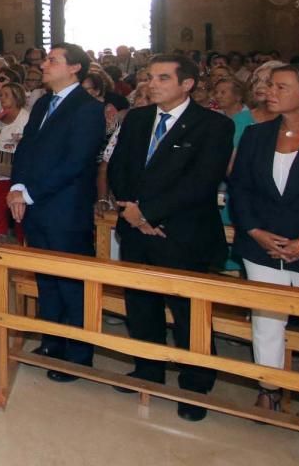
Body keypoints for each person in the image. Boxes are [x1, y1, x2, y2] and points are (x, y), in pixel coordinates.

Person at [107, 55, 233, 422]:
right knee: (141, 303)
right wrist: (132, 210)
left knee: (188, 312)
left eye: (163, 77)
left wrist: (151, 213)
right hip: (137, 228)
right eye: (149, 77)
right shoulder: (138, 118)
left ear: (187, 84)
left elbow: (202, 181)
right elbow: (119, 166)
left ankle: (195, 383)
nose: (152, 84)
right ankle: (148, 369)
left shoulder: (212, 126)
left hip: (183, 233)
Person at [7, 43, 104, 379]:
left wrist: (30, 193)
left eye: (53, 60)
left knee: (71, 283)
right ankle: (52, 341)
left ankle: (78, 354)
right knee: (46, 279)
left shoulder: (88, 108)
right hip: (36, 205)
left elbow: (75, 162)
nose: (45, 64)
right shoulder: (43, 103)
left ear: (75, 68)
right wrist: (17, 186)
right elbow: (26, 148)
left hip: (65, 208)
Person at [229, 64, 299, 413]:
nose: (270, 91)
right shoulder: (257, 135)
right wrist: (253, 229)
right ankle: (269, 388)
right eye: (270, 85)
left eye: (281, 87)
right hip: (262, 245)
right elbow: (240, 188)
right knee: (267, 320)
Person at [0, 82, 29, 244]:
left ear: (17, 98)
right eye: (0, 95)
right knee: (1, 199)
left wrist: (21, 139)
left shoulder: (25, 117)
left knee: (17, 200)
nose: (2, 98)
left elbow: (32, 140)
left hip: (19, 163)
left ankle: (21, 235)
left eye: (6, 95)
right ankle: (1, 232)